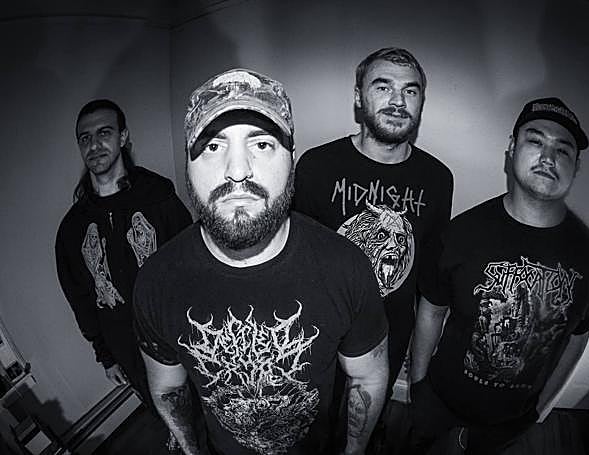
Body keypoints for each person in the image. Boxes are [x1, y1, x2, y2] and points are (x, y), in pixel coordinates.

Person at [133, 68, 389, 455]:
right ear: (187, 164)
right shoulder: (156, 282)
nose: (238, 171)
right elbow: (169, 388)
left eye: (263, 144)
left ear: (292, 159)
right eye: (213, 146)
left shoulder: (346, 267)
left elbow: (367, 379)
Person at [410, 97, 589, 454]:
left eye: (563, 150)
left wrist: (541, 411)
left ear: (576, 167)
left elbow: (578, 338)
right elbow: (432, 310)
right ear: (512, 148)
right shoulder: (460, 234)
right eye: (535, 140)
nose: (548, 157)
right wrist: (419, 385)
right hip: (440, 399)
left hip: (512, 419)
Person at [294, 47, 453, 399]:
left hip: (388, 337)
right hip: (321, 331)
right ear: (358, 97)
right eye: (383, 87)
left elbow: (430, 283)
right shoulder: (317, 166)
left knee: (368, 417)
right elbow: (295, 265)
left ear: (421, 102)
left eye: (410, 91)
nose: (398, 101)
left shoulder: (437, 179)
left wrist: (418, 369)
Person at [55, 99, 192, 406]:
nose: (94, 145)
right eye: (85, 138)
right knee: (167, 416)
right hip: (129, 351)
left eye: (104, 133)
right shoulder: (72, 230)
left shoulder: (157, 196)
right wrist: (106, 356)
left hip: (180, 333)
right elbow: (80, 298)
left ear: (123, 137)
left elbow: (192, 260)